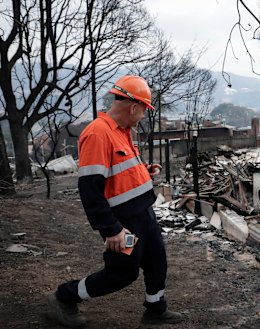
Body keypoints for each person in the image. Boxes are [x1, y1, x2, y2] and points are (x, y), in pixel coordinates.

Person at [47, 75, 183, 327]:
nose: (143, 116)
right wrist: (112, 230)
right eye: (143, 110)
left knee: (157, 261)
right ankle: (64, 296)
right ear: (133, 107)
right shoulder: (98, 134)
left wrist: (144, 170)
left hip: (144, 215)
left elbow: (117, 171)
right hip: (124, 223)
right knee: (122, 273)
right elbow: (90, 188)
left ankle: (155, 309)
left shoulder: (122, 132)